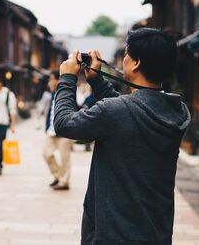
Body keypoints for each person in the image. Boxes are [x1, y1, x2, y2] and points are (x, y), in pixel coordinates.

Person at [54, 28, 191, 245]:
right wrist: (98, 81)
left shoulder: (117, 112)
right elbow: (130, 112)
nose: (124, 58)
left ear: (136, 63)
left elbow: (64, 124)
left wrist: (67, 78)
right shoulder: (177, 110)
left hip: (112, 234)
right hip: (156, 233)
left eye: (126, 54)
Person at [43, 70, 73, 191]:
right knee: (46, 153)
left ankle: (64, 181)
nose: (50, 82)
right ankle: (58, 176)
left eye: (51, 79)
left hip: (64, 131)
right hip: (51, 131)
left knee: (65, 158)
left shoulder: (67, 92)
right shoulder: (52, 94)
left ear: (58, 80)